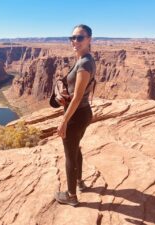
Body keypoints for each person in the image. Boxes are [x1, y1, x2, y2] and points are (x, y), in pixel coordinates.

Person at [54, 24, 96, 207]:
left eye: (80, 37)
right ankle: (79, 183)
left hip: (76, 116)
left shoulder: (85, 62)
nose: (75, 41)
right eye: (72, 37)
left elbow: (78, 96)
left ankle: (71, 196)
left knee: (70, 154)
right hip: (82, 114)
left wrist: (64, 121)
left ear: (89, 39)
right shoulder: (83, 60)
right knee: (76, 148)